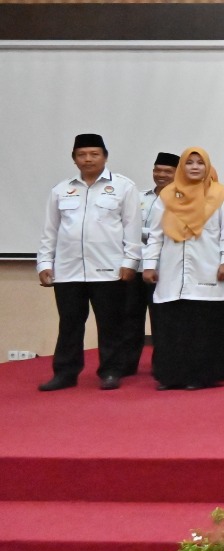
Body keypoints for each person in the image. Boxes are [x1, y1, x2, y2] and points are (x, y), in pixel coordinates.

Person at [37, 134, 142, 392]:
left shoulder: (124, 187)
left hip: (109, 269)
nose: (88, 159)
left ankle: (111, 371)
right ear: (74, 159)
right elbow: (50, 231)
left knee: (111, 324)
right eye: (82, 155)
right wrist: (44, 263)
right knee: (69, 324)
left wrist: (130, 262)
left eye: (94, 154)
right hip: (68, 270)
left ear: (105, 157)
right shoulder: (61, 190)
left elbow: (132, 228)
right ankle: (65, 373)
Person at [141, 147, 224, 391]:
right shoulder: (167, 196)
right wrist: (149, 265)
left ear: (207, 167)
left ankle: (201, 376)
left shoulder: (221, 196)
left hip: (207, 268)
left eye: (200, 163)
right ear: (182, 167)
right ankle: (171, 376)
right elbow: (155, 235)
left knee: (202, 327)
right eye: (189, 163)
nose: (195, 167)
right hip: (171, 272)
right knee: (172, 326)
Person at [131, 151, 181, 373]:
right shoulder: (139, 197)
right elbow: (124, 226)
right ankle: (127, 364)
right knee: (130, 317)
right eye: (157, 170)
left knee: (161, 319)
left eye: (167, 171)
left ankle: (161, 365)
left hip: (162, 269)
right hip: (134, 267)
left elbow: (169, 232)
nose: (161, 175)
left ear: (177, 173)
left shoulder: (180, 199)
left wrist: (142, 232)